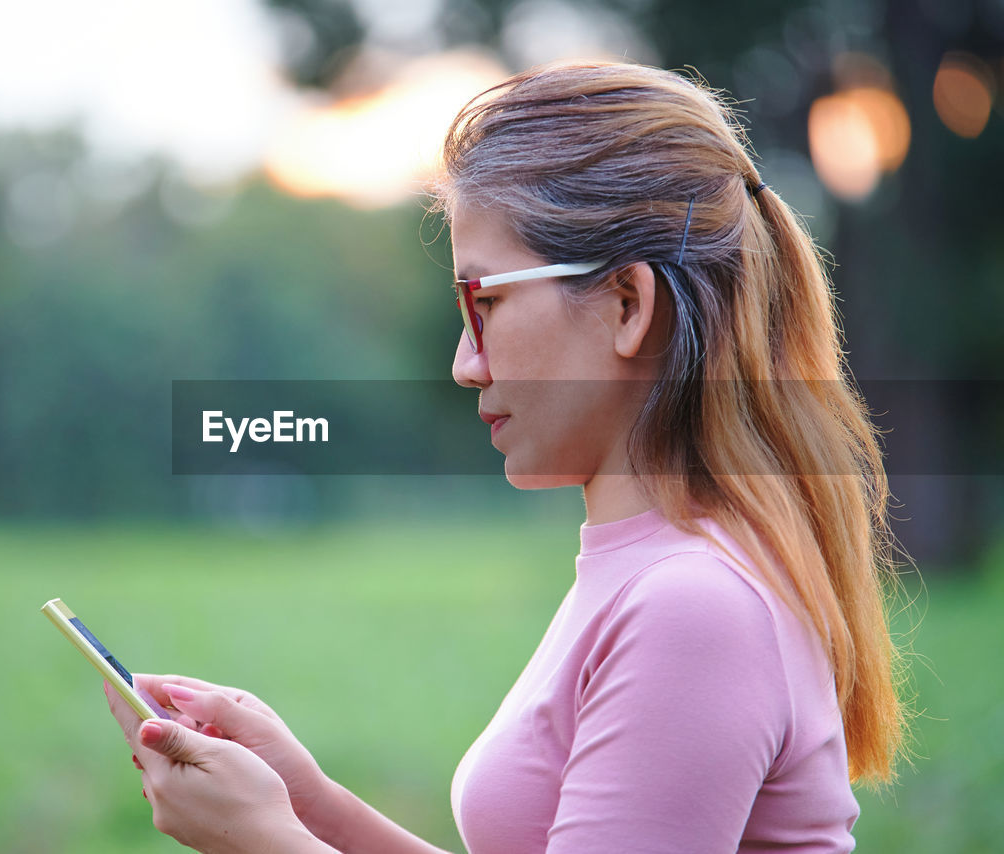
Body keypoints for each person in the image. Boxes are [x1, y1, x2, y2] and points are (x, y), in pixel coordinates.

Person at [105, 60, 909, 853]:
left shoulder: (693, 608)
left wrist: (265, 842)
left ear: (628, 304)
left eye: (484, 302)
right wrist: (308, 804)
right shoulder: (654, 573)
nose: (465, 362)